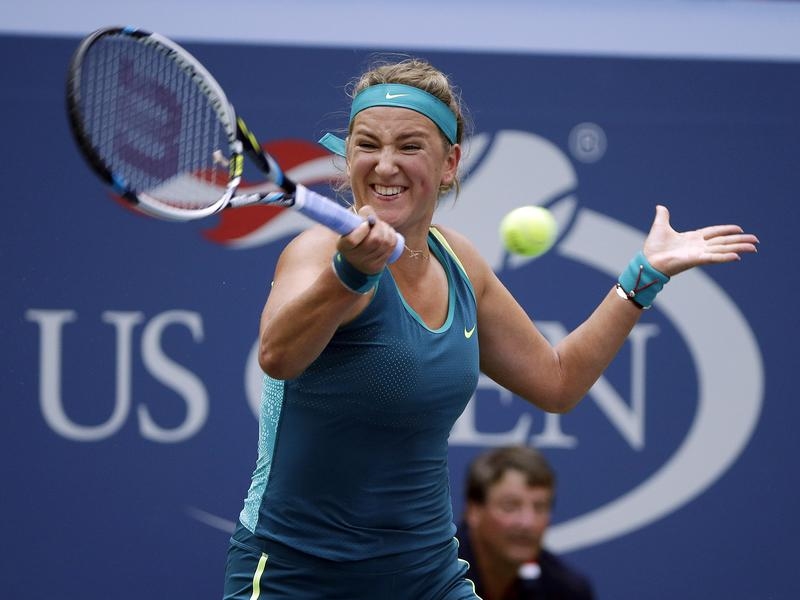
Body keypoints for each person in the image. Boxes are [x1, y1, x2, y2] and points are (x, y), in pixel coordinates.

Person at [221, 56, 758, 600]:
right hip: (297, 576)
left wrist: (644, 275)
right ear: (348, 157)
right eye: (368, 145)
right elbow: (278, 357)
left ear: (450, 163)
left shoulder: (461, 262)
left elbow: (557, 382)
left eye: (409, 146)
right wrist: (350, 274)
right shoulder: (317, 252)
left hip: (426, 577)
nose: (385, 165)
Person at [458, 446, 594, 600]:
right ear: (474, 511)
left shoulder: (567, 591)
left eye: (540, 507)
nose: (528, 523)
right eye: (510, 506)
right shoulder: (436, 577)